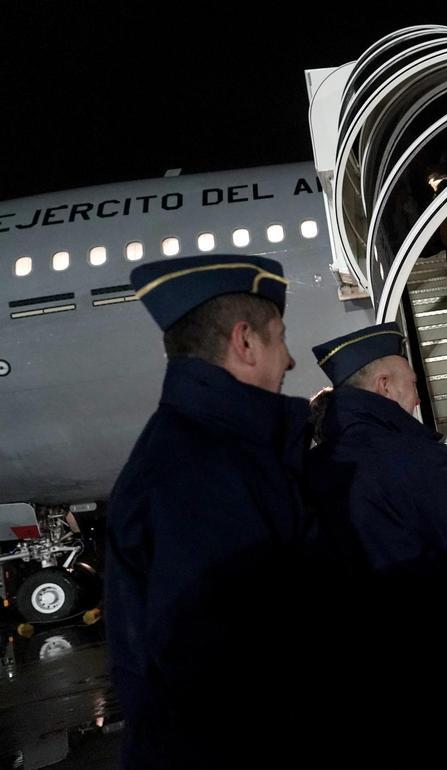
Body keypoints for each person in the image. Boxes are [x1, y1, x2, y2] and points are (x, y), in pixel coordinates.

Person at [106, 254, 316, 769]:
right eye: (281, 337)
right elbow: (239, 680)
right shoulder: (202, 473)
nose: (290, 360)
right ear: (245, 342)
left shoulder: (203, 452)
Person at [305, 322, 447, 767]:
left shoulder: (316, 464)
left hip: (361, 689)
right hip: (434, 680)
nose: (416, 398)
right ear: (384, 385)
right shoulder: (403, 453)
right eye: (412, 385)